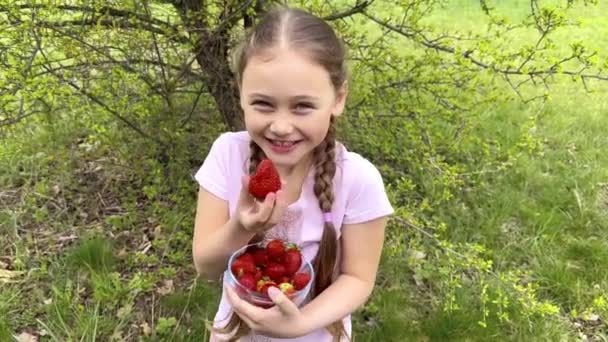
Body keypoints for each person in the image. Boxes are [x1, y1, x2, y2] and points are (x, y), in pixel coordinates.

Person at [192, 5, 394, 342]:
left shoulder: (358, 179)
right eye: (263, 104)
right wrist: (240, 228)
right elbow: (207, 267)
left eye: (302, 106)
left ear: (338, 99)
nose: (281, 126)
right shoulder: (228, 155)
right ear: (240, 94)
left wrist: (297, 325)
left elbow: (358, 278)